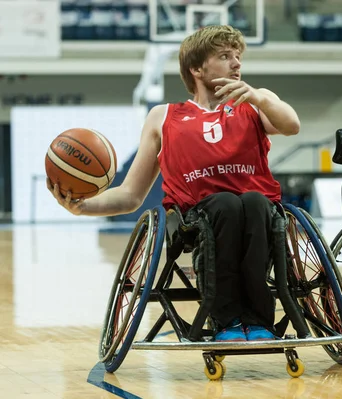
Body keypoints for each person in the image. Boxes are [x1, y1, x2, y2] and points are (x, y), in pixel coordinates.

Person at [47, 25, 301, 342]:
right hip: (198, 218)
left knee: (251, 201)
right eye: (225, 56)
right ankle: (226, 319)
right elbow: (130, 196)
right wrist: (81, 207)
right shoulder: (163, 116)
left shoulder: (255, 102)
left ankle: (259, 320)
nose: (236, 64)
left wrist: (260, 98)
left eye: (238, 57)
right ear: (196, 68)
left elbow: (291, 125)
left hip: (257, 211)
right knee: (226, 204)